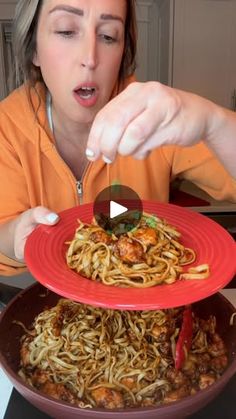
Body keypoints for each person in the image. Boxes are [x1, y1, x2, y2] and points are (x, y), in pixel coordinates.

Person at [0, 0, 235, 276]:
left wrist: (214, 123)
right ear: (34, 48)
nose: (90, 57)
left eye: (108, 36)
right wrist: (14, 236)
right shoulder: (8, 126)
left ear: (123, 51)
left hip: (144, 311)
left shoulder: (154, 117)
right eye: (66, 31)